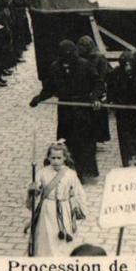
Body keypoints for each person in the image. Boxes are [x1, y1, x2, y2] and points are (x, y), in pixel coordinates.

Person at [29, 40, 103, 181]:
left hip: (83, 109)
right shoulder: (55, 67)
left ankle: (81, 173)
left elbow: (98, 83)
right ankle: (66, 172)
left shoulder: (85, 65)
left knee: (82, 142)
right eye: (65, 59)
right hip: (65, 110)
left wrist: (95, 98)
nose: (67, 63)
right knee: (66, 141)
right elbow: (49, 88)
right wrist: (39, 98)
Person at [27, 141, 88, 257]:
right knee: (47, 235)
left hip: (64, 209)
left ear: (65, 158)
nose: (55, 161)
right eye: (53, 158)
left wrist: (78, 208)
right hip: (47, 210)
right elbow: (35, 188)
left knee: (61, 238)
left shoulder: (71, 174)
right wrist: (33, 189)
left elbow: (79, 192)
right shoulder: (42, 172)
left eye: (59, 158)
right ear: (48, 158)